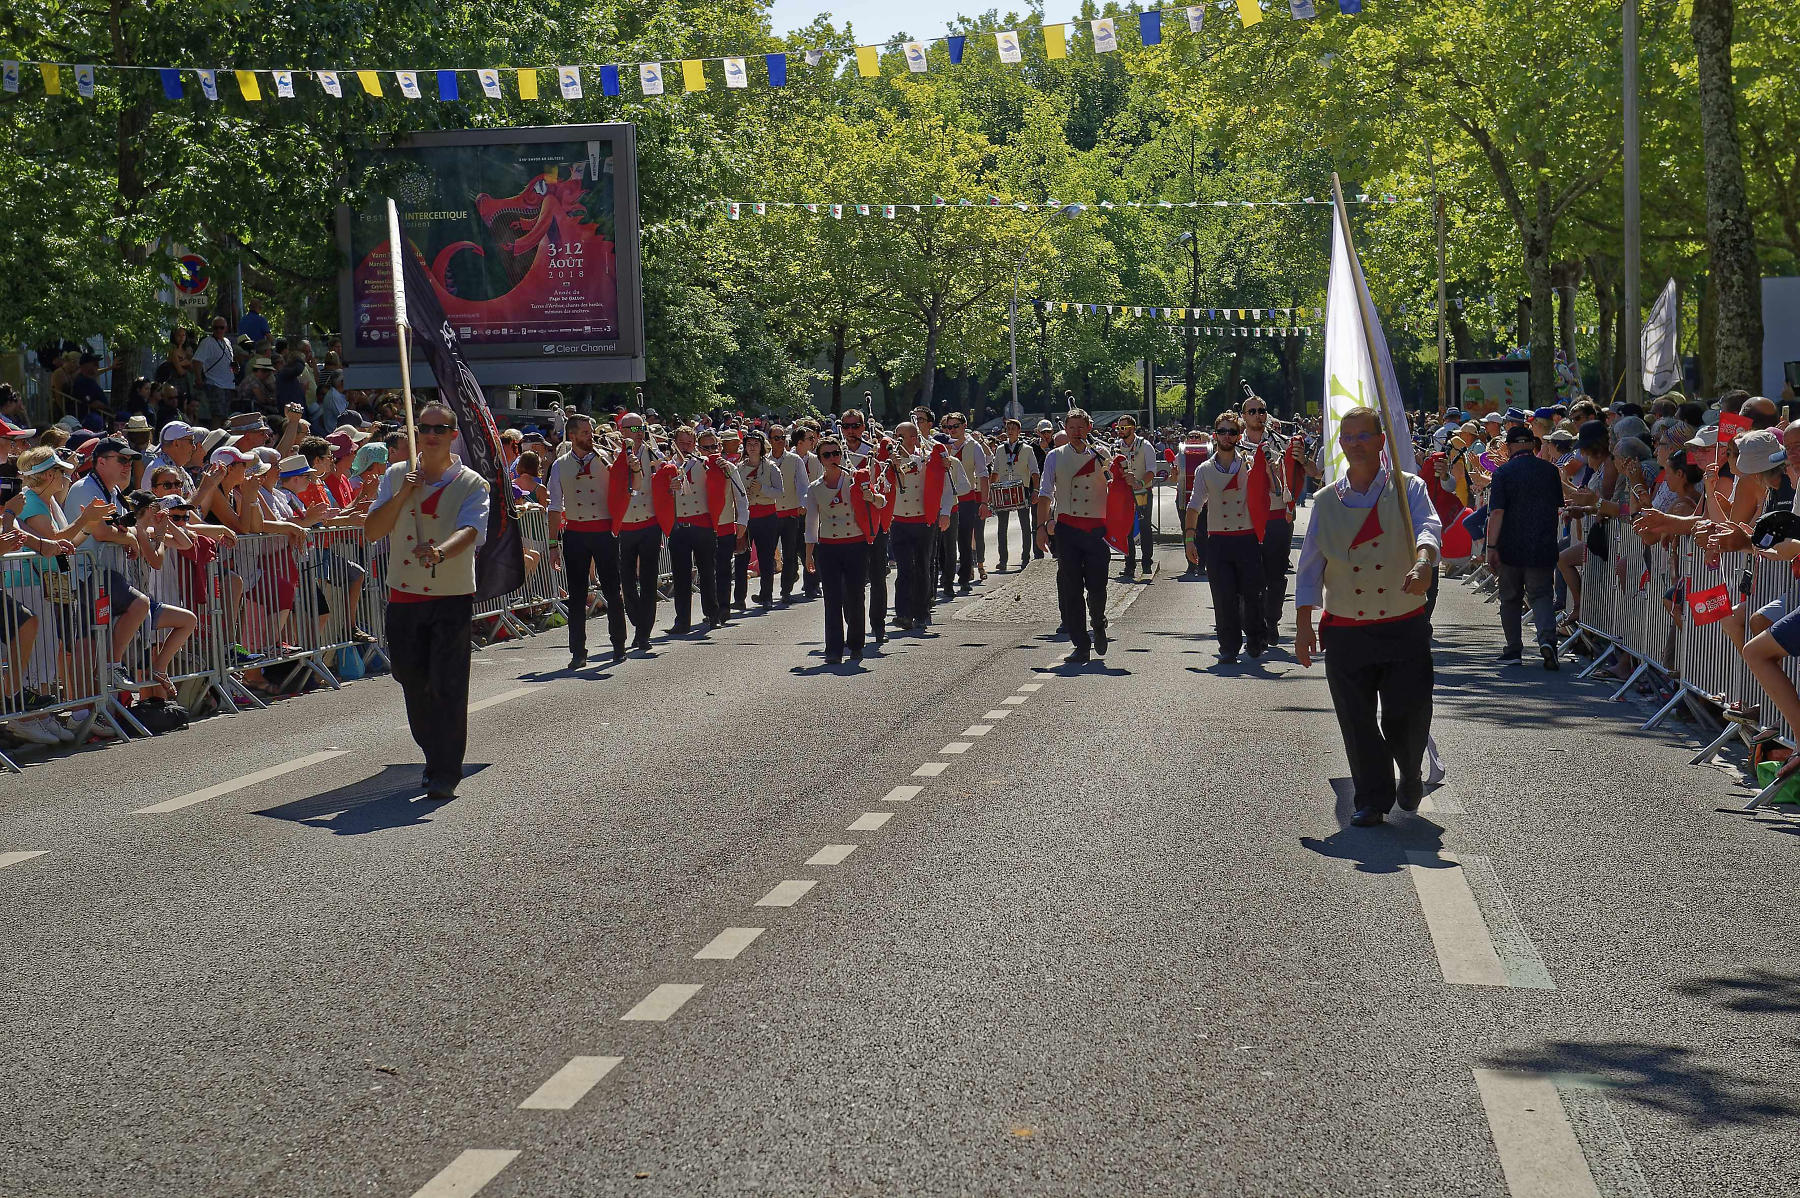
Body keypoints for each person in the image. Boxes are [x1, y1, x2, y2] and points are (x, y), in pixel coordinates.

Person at [1293, 406, 1442, 826]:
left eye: (1365, 436)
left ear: (1382, 441)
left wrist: (1425, 561)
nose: (1357, 443)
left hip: (1402, 623)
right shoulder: (1324, 501)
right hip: (1346, 628)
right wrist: (1303, 625)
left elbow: (1428, 528)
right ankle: (1372, 799)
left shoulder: (1408, 488)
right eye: (1349, 437)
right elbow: (1309, 568)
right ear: (1340, 445)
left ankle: (1410, 771)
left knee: (1407, 713)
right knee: (1356, 718)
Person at [363, 401, 490, 801]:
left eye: (440, 428)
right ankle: (434, 751)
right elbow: (372, 530)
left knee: (448, 684)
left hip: (450, 595)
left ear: (454, 434)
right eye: (424, 428)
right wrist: (403, 494)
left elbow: (471, 530)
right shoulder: (396, 475)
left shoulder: (473, 483)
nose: (431, 434)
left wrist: (439, 552)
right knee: (410, 678)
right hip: (404, 594)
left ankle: (444, 769)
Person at [1035, 408, 1115, 665]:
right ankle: (1080, 644)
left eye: (1081, 427)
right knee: (1071, 588)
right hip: (1067, 529)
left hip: (1096, 529)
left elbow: (1115, 486)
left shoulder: (1102, 454)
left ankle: (1099, 621)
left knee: (1097, 586)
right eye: (1072, 428)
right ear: (1066, 429)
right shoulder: (1054, 457)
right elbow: (1046, 492)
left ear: (1089, 428)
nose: (1076, 432)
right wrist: (1041, 526)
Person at [1184, 413, 1266, 663]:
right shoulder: (1204, 470)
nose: (1227, 436)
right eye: (1222, 431)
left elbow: (1269, 490)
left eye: (1232, 432)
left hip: (1247, 538)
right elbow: (1194, 504)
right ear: (1215, 434)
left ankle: (1255, 637)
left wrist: (1267, 468)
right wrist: (1189, 539)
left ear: (1239, 436)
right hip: (1218, 540)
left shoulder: (1251, 464)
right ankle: (1228, 647)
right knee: (1223, 597)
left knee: (1252, 595)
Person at [547, 412, 626, 668]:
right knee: (577, 594)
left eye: (590, 432)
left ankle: (618, 644)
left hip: (603, 531)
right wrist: (552, 544)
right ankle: (578, 651)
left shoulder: (605, 459)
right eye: (584, 433)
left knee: (612, 590)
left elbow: (623, 486)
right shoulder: (559, 464)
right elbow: (554, 507)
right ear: (572, 436)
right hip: (576, 533)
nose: (590, 436)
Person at [1486, 424, 1564, 669]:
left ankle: (1513, 650)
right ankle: (1548, 640)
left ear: (1509, 447)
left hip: (1510, 546)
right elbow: (1557, 507)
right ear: (1532, 445)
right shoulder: (1550, 471)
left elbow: (1497, 512)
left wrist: (1490, 547)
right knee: (1541, 595)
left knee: (1510, 598)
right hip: (1542, 543)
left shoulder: (1503, 473)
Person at [804, 435, 887, 664]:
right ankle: (833, 649)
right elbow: (811, 523)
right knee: (832, 599)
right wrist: (809, 554)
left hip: (855, 544)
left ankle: (856, 644)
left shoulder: (855, 480)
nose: (833, 458)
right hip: (828, 547)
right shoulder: (815, 488)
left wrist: (872, 496)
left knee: (855, 595)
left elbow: (881, 502)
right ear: (820, 459)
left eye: (836, 453)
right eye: (827, 455)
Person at [888, 421, 953, 632]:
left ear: (914, 438)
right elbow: (884, 484)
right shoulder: (889, 461)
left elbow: (942, 485)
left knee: (923, 567)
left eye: (902, 436)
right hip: (899, 521)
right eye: (895, 436)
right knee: (905, 568)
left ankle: (922, 612)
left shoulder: (926, 456)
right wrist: (891, 465)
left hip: (923, 520)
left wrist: (944, 513)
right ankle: (903, 614)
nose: (896, 440)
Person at [1240, 395, 1297, 637]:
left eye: (1261, 411)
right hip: (1245, 518)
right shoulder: (1232, 442)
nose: (1257, 415)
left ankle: (1271, 619)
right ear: (1243, 417)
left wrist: (1276, 470)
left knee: (1275, 575)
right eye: (1251, 411)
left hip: (1275, 514)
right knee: (1249, 576)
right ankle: (1253, 625)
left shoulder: (1278, 444)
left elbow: (1294, 478)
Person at [612, 412, 664, 652]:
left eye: (640, 428)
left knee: (649, 579)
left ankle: (643, 633)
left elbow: (669, 476)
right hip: (625, 524)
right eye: (632, 429)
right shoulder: (613, 456)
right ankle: (637, 620)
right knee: (627, 581)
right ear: (622, 431)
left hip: (649, 522)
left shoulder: (655, 454)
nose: (638, 433)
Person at [838, 410, 891, 642]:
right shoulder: (834, 453)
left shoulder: (875, 454)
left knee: (878, 577)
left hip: (873, 523)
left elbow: (887, 488)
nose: (850, 431)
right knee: (849, 581)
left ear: (863, 427)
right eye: (846, 426)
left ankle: (879, 625)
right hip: (846, 526)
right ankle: (853, 624)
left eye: (855, 426)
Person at [944, 411, 989, 594]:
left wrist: (984, 502)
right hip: (946, 498)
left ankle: (964, 577)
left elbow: (983, 475)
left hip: (966, 498)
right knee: (946, 540)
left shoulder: (974, 446)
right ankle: (946, 578)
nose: (951, 430)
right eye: (948, 427)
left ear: (963, 426)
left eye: (955, 426)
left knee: (964, 538)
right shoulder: (942, 445)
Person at [739, 429, 784, 608]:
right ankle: (739, 599)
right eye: (749, 444)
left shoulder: (771, 467)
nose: (752, 447)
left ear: (762, 447)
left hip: (767, 516)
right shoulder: (740, 468)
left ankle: (766, 596)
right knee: (742, 557)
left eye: (756, 444)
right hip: (747, 516)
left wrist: (762, 489)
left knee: (766, 558)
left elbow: (780, 492)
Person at [989, 418, 1039, 569]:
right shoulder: (999, 449)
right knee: (1001, 525)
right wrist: (991, 491)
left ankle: (1025, 557)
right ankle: (1003, 560)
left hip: (1021, 487)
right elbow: (995, 471)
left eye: (1013, 428)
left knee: (1025, 524)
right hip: (1003, 488)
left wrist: (1035, 490)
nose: (1010, 430)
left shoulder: (1027, 449)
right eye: (1007, 428)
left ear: (1019, 431)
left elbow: (1035, 472)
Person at [1113, 415, 1156, 580]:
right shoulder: (1117, 447)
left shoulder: (1145, 445)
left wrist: (1139, 482)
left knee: (1145, 527)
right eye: (1119, 428)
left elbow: (1152, 470)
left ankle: (1146, 564)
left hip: (1142, 491)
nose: (1120, 431)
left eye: (1123, 428)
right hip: (1125, 493)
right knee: (1126, 529)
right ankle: (1129, 564)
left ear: (1132, 428)